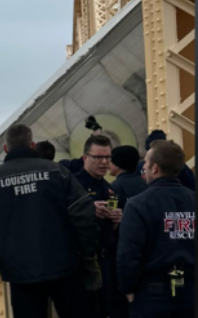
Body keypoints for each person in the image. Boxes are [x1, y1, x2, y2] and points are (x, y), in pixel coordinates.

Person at [0, 124, 99, 318]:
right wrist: (87, 255)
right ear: (32, 145)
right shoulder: (57, 172)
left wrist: (1, 236)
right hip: (65, 268)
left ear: (5, 149)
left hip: (21, 273)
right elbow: (84, 214)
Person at [117, 140, 194, 318]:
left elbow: (129, 254)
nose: (143, 167)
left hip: (153, 293)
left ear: (155, 168)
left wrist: (127, 288)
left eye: (146, 163)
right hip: (190, 290)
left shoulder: (138, 205)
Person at [76, 134, 126, 318]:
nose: (104, 162)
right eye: (98, 157)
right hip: (82, 264)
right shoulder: (73, 186)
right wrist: (88, 209)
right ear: (85, 158)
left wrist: (116, 220)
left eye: (108, 157)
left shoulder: (108, 187)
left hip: (107, 260)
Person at [109, 146, 147, 210]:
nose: (108, 164)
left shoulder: (113, 188)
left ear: (118, 165)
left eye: (111, 161)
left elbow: (110, 210)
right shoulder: (145, 184)